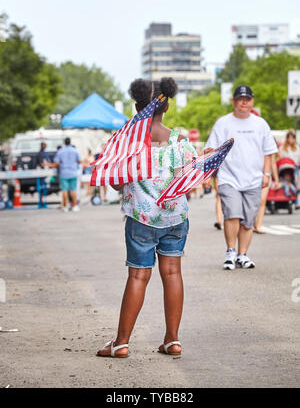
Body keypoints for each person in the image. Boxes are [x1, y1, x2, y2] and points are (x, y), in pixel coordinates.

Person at [96, 77, 197, 358]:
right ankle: (172, 340)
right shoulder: (180, 141)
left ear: (137, 105)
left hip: (140, 219)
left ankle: (121, 343)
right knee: (173, 273)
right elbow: (190, 178)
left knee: (138, 276)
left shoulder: (125, 143)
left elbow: (116, 183)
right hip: (175, 218)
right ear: (166, 106)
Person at [205, 85, 278, 270]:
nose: (244, 102)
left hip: (253, 180)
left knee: (248, 219)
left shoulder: (260, 124)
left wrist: (267, 174)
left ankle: (242, 254)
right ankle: (230, 251)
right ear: (234, 101)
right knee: (232, 214)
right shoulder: (223, 123)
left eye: (247, 99)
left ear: (252, 101)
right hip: (229, 178)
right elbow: (211, 149)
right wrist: (207, 168)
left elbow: (269, 152)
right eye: (240, 98)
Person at [52, 138, 81, 212]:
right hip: (73, 172)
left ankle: (65, 206)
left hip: (64, 173)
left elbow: (56, 162)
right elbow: (79, 161)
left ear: (64, 143)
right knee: (73, 190)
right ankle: (74, 206)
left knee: (64, 190)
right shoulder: (75, 151)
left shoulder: (60, 151)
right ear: (70, 142)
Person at [279, 131, 300, 209]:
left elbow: (298, 157)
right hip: (285, 167)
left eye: (293, 138)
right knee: (287, 182)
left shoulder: (297, 148)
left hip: (294, 167)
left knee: (295, 182)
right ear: (287, 139)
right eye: (290, 138)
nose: (291, 140)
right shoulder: (283, 148)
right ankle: (287, 198)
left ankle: (296, 201)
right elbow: (281, 157)